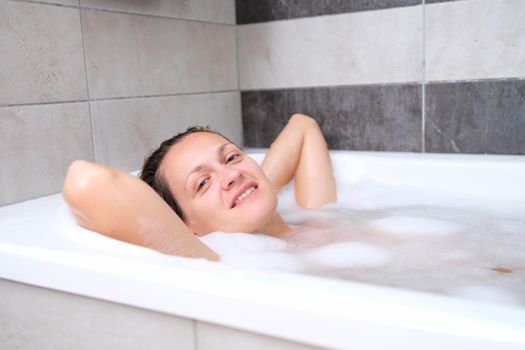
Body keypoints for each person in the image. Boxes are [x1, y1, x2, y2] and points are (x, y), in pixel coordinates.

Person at [63, 114, 337, 261]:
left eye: (231, 157)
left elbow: (302, 125)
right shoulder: (213, 260)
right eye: (202, 183)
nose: (230, 175)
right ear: (187, 226)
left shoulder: (319, 218)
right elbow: (84, 183)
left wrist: (249, 185)